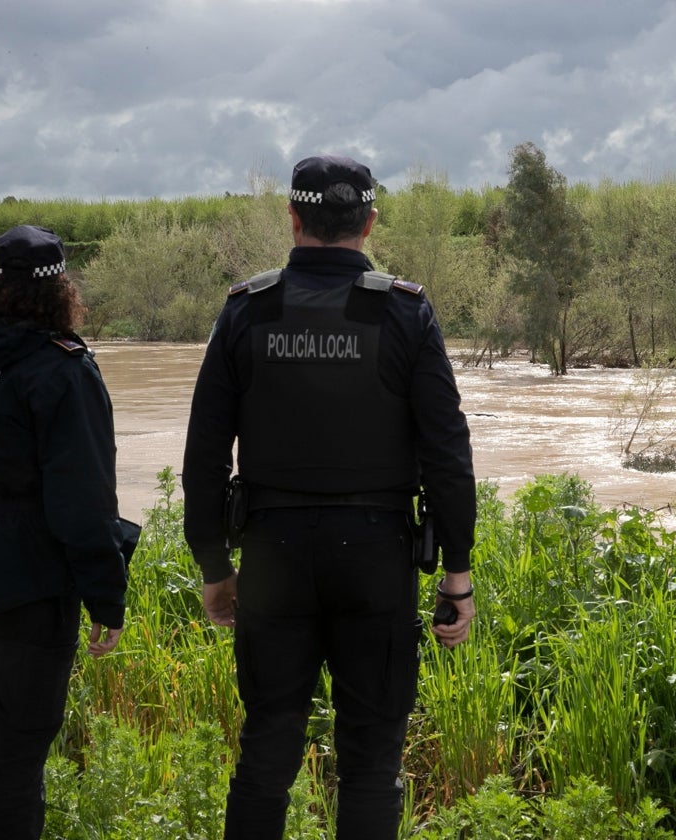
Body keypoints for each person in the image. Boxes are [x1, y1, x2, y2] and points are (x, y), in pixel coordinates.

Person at [182, 154, 477, 839]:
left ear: (293, 219)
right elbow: (446, 451)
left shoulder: (246, 311)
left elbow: (203, 455)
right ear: (369, 224)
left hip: (273, 555)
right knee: (372, 760)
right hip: (376, 557)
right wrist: (456, 575)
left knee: (266, 750)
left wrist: (214, 569)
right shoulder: (403, 312)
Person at [0, 225, 132, 840]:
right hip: (32, 588)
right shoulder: (62, 369)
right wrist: (105, 596)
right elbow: (84, 501)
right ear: (61, 288)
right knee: (18, 751)